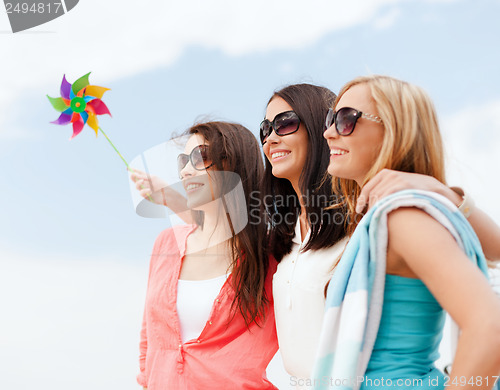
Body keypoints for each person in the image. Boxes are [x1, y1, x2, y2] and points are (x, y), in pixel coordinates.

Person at [260, 83, 500, 388]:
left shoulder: (396, 218)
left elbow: (490, 325)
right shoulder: (365, 221)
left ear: (395, 129)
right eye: (330, 120)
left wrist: (442, 192)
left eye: (346, 119)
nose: (329, 132)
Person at [135, 121, 278, 389]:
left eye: (199, 157)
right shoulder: (166, 244)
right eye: (182, 161)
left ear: (233, 164)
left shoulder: (270, 255)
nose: (186, 171)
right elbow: (148, 340)